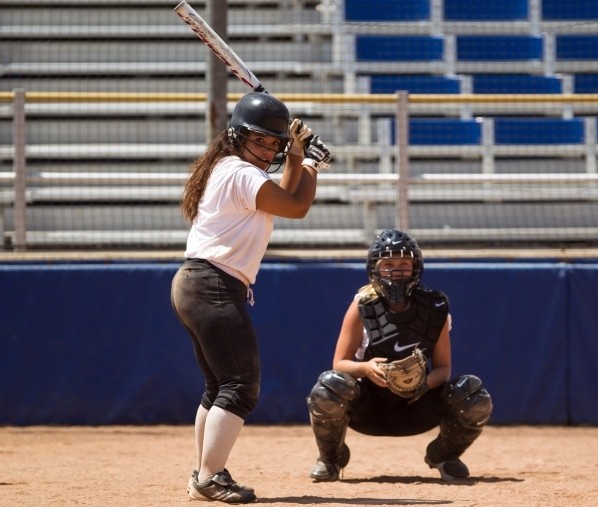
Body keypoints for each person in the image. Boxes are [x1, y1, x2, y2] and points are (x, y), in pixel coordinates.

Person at [170, 91, 331, 504]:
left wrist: (297, 155)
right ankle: (209, 477)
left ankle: (204, 474)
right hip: (212, 284)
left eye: (274, 143)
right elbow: (297, 206)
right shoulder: (240, 172)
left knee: (219, 385)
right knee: (240, 385)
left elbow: (283, 197)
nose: (267, 149)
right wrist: (312, 163)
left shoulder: (230, 169)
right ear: (237, 136)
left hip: (196, 281)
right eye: (259, 139)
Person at [305, 229, 493, 482]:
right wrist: (366, 369)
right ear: (375, 268)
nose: (396, 271)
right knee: (328, 386)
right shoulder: (363, 303)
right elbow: (340, 364)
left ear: (415, 267)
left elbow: (443, 369)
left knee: (472, 392)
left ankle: (444, 454)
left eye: (404, 264)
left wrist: (420, 384)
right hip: (370, 407)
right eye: (388, 264)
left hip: (416, 405)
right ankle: (330, 458)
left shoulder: (434, 307)